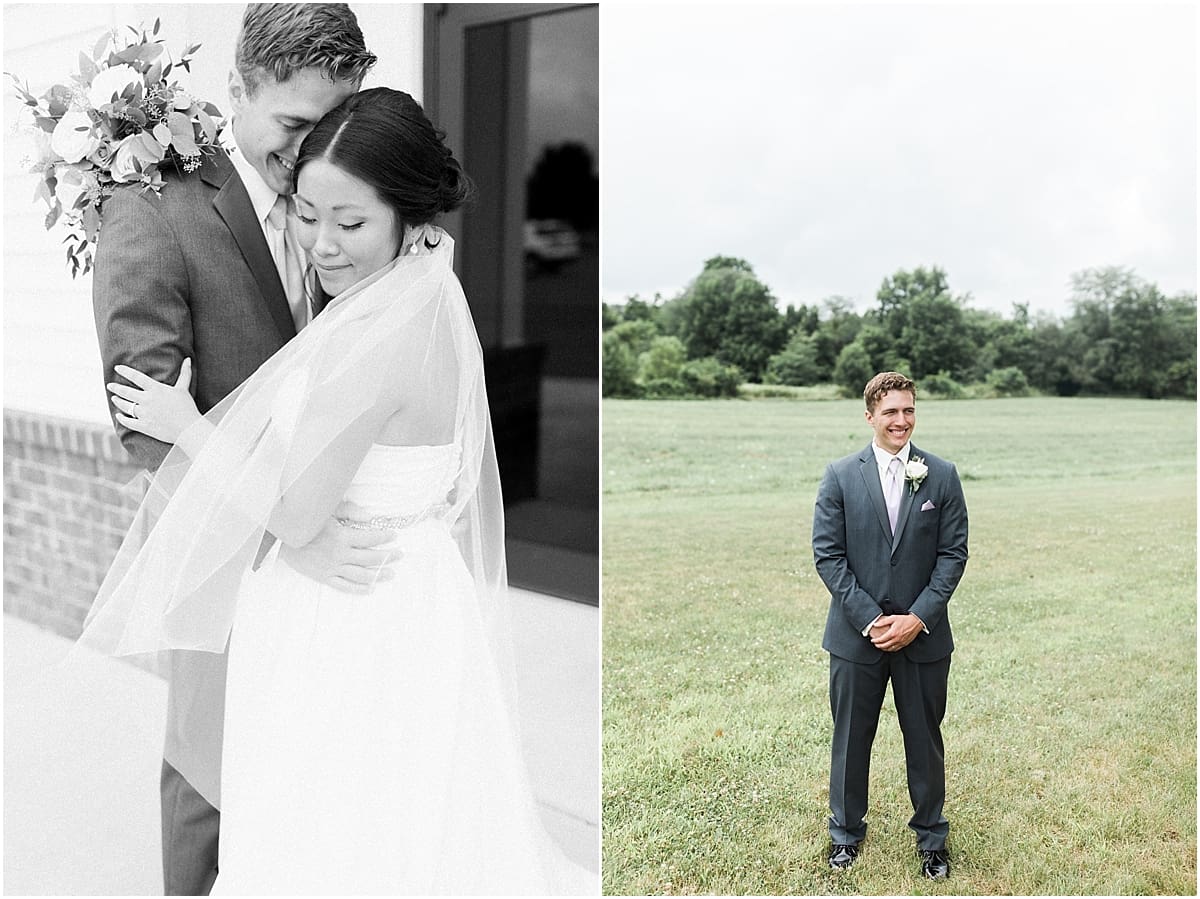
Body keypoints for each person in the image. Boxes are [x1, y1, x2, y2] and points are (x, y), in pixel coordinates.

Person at [81, 87, 596, 894]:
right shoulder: (424, 290)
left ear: (408, 216)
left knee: (337, 834)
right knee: (397, 827)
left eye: (350, 223)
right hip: (406, 597)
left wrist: (186, 423)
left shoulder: (380, 332)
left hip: (356, 618)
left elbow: (294, 509)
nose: (322, 244)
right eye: (306, 212)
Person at [90, 5, 382, 894]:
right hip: (221, 550)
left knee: (300, 763)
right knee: (206, 778)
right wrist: (288, 529)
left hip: (324, 547)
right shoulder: (152, 212)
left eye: (327, 126)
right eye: (293, 126)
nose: (307, 152)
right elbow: (149, 425)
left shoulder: (339, 207)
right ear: (236, 91)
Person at [811, 371, 968, 880]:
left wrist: (917, 617)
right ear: (870, 417)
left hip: (923, 637)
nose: (901, 421)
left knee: (924, 738)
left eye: (909, 410)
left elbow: (952, 555)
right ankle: (845, 834)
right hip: (858, 638)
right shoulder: (839, 475)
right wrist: (875, 620)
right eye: (891, 412)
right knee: (851, 739)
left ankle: (931, 838)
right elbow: (828, 557)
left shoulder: (940, 474)